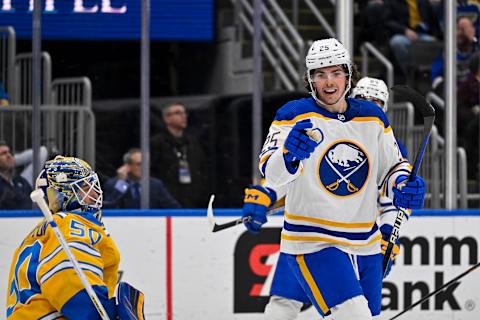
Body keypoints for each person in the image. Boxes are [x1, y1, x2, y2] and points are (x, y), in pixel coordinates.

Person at [244, 38, 425, 319]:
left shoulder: (373, 119)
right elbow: (273, 173)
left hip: (365, 243)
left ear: (349, 76)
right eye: (320, 74)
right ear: (310, 79)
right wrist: (288, 156)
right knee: (298, 306)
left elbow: (392, 169)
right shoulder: (293, 115)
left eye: (336, 73)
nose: (329, 82)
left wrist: (403, 185)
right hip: (314, 239)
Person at [6, 155, 144, 319]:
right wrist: (103, 313)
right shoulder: (70, 224)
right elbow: (69, 279)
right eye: (85, 188)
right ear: (63, 196)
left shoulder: (41, 232)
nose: (94, 192)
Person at [151, 102, 208, 208]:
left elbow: (202, 167)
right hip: (167, 199)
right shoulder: (157, 143)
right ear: (167, 118)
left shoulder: (192, 141)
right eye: (178, 113)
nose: (184, 116)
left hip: (193, 199)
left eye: (184, 112)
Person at [103, 148, 181, 209]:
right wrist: (121, 184)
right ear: (128, 166)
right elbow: (108, 207)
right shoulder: (113, 184)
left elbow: (175, 208)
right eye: (139, 164)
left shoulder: (155, 185)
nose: (144, 168)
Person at [384, 0, 442, 75]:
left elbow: (433, 21)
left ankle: (427, 74)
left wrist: (436, 36)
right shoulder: (392, 2)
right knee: (397, 42)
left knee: (433, 42)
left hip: (421, 34)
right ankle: (408, 71)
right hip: (402, 34)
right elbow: (388, 21)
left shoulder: (423, 2)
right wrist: (405, 30)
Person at [431, 15, 479, 93]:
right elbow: (436, 79)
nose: (462, 33)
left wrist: (473, 39)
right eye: (459, 29)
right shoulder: (446, 52)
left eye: (465, 29)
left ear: (473, 30)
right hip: (454, 95)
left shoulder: (477, 49)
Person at [0, 141, 33, 209]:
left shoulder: (22, 181)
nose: (9, 155)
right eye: (3, 153)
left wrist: (14, 160)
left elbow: (42, 152)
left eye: (10, 152)